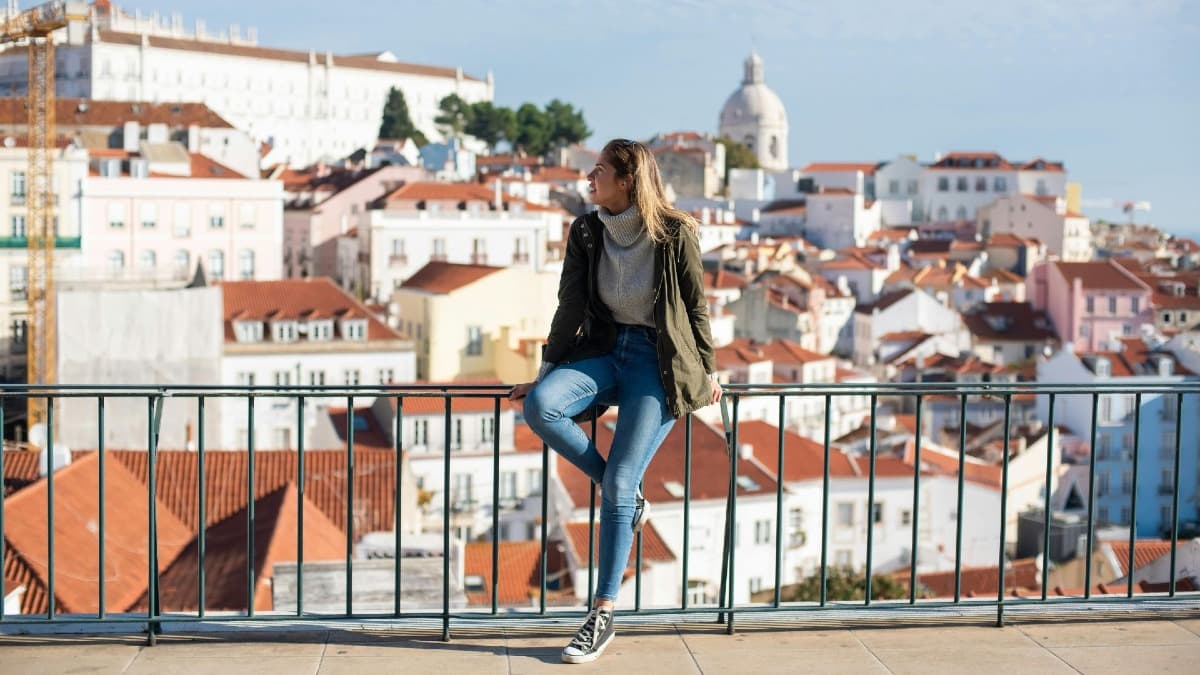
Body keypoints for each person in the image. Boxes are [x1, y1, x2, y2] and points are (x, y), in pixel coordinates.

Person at [509, 138, 721, 664]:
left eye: (599, 171)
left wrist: (708, 370)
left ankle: (601, 613)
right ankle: (623, 495)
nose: (589, 178)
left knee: (623, 482)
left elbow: (695, 305)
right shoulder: (587, 231)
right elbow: (570, 303)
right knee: (541, 406)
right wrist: (546, 373)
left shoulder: (674, 233)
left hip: (657, 358)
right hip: (606, 349)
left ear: (627, 181)